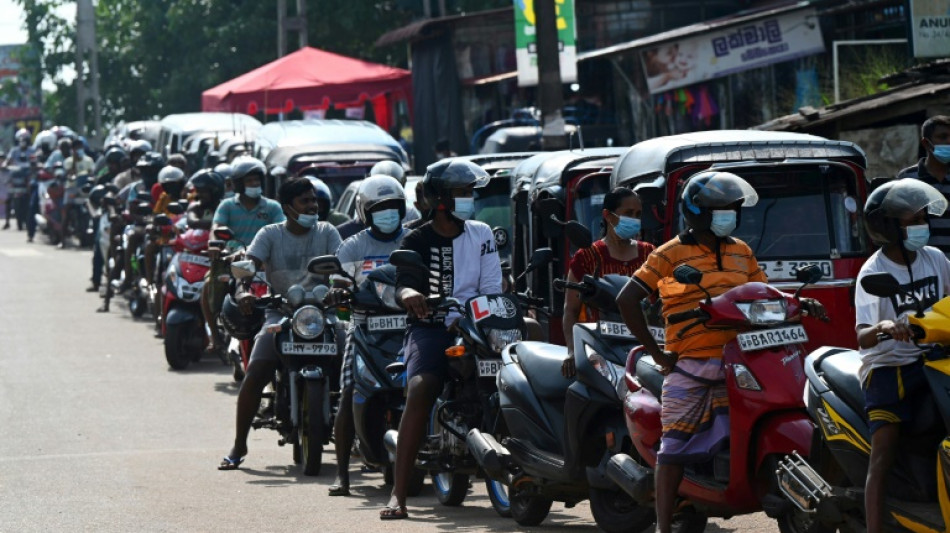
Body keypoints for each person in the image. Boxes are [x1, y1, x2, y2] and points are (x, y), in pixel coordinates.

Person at [615, 171, 825, 533]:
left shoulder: (741, 252)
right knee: (674, 444)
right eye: (720, 208)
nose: (729, 214)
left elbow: (766, 294)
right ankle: (664, 526)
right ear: (696, 211)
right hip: (693, 360)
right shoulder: (670, 255)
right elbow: (627, 298)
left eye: (732, 208)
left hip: (744, 356)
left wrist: (801, 302)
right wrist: (660, 354)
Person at [380, 159, 501, 520]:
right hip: (430, 326)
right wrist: (410, 297)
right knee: (420, 388)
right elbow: (404, 283)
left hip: (479, 324)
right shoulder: (416, 238)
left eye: (470, 192)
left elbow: (493, 286)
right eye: (462, 193)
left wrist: (487, 318)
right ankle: (398, 495)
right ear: (441, 199)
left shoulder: (482, 233)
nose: (469, 199)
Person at [218, 177, 342, 470]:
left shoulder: (328, 232)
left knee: (353, 368)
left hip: (325, 315)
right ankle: (239, 445)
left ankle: (366, 439)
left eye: (314, 201)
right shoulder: (269, 234)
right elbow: (246, 269)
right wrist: (244, 291)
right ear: (288, 207)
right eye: (305, 201)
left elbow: (343, 266)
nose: (313, 206)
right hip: (281, 313)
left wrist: (340, 287)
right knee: (257, 369)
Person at [854, 178, 950, 533]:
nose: (921, 226)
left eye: (923, 219)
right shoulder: (873, 272)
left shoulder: (936, 259)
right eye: (913, 221)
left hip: (934, 359)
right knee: (883, 455)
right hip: (889, 369)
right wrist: (885, 328)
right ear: (889, 227)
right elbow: (862, 335)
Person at [328, 175, 409, 497]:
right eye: (380, 208)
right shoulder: (353, 245)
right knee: (348, 392)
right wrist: (339, 293)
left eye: (393, 207)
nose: (387, 213)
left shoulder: (414, 239)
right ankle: (342, 474)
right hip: (364, 327)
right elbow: (338, 282)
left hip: (410, 325)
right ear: (365, 211)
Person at [561, 187, 655, 377]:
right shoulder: (587, 257)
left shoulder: (651, 254)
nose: (634, 219)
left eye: (637, 214)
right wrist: (572, 352)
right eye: (628, 213)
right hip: (601, 351)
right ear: (608, 216)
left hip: (647, 350)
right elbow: (570, 310)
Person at [204, 157, 284, 353]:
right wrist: (215, 245)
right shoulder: (227, 206)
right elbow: (216, 228)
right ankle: (215, 337)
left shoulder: (272, 207)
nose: (254, 184)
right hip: (232, 260)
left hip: (265, 262)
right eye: (249, 181)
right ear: (239, 184)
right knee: (208, 287)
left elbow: (282, 231)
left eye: (257, 180)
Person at [899, 115, 950, 254]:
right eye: (943, 137)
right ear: (926, 144)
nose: (949, 141)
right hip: (925, 266)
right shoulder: (908, 179)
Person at [337, 162, 419, 241]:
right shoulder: (351, 242)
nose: (388, 212)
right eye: (379, 207)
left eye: (392, 205)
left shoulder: (411, 236)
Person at [2, 128, 35, 233]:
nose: (23, 142)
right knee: (8, 198)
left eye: (25, 139)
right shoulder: (14, 150)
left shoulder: (32, 150)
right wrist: (5, 165)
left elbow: (35, 160)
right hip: (15, 177)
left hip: (28, 176)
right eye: (21, 140)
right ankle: (7, 221)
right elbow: (7, 161)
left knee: (32, 196)